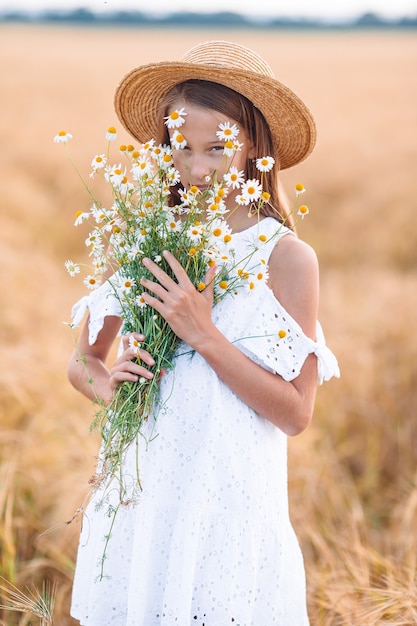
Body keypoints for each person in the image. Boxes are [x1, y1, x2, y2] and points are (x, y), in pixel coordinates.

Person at [68, 40, 339, 626]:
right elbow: (83, 359)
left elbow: (295, 413)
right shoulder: (145, 236)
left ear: (255, 146)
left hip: (229, 510)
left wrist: (205, 334)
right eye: (179, 149)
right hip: (141, 501)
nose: (197, 169)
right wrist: (112, 387)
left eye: (218, 148)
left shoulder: (285, 258)